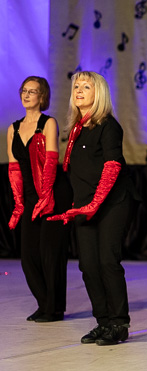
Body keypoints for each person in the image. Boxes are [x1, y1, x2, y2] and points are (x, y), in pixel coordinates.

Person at [49, 71, 135, 345]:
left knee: (107, 261)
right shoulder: (76, 129)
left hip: (111, 203)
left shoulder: (108, 126)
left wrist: (95, 203)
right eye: (76, 85)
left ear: (99, 93)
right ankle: (103, 321)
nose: (79, 90)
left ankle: (119, 323)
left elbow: (112, 166)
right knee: (87, 265)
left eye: (86, 86)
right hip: (84, 205)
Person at [7, 76, 72, 323]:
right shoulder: (13, 128)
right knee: (28, 256)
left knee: (51, 253)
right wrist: (19, 203)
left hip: (53, 192)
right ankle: (45, 304)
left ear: (42, 96)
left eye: (32, 91)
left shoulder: (48, 123)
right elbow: (14, 169)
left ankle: (54, 309)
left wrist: (46, 197)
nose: (26, 95)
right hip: (30, 196)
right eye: (24, 90)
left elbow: (51, 163)